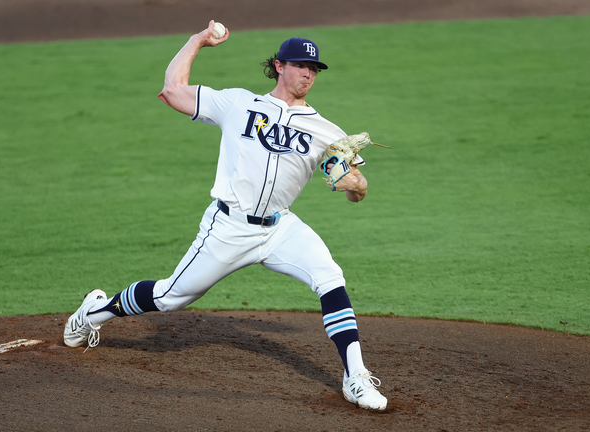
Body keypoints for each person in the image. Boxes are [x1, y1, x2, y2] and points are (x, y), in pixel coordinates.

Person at [63, 20, 388, 411]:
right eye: (301, 65)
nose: (308, 73)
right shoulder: (238, 103)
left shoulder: (327, 131)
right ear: (280, 65)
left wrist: (358, 187)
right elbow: (172, 91)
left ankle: (355, 378)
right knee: (169, 297)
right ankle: (93, 312)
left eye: (314, 69)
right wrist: (196, 41)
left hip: (280, 227)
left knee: (330, 277)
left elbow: (356, 187)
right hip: (228, 227)